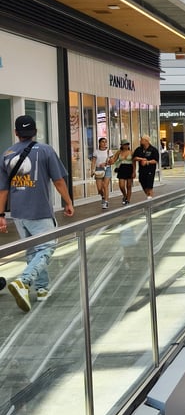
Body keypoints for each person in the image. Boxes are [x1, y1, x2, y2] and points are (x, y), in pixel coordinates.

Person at [0, 114, 75, 312]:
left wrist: (1, 215)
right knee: (48, 247)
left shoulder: (6, 154)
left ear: (16, 133)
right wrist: (68, 202)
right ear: (35, 132)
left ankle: (41, 288)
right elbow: (58, 181)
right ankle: (24, 281)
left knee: (33, 250)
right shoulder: (45, 150)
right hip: (39, 210)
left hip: (18, 213)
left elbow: (3, 189)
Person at [132, 134, 160, 199]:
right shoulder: (139, 149)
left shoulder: (153, 149)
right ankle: (149, 196)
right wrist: (141, 159)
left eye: (142, 140)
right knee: (142, 182)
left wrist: (147, 162)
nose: (140, 141)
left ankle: (150, 198)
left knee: (149, 185)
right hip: (142, 170)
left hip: (150, 170)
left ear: (147, 141)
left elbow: (156, 160)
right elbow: (134, 158)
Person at [110, 140, 135, 205]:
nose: (126, 146)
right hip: (121, 168)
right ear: (122, 145)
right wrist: (109, 161)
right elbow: (114, 160)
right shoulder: (119, 152)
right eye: (125, 144)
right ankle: (125, 195)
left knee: (129, 186)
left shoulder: (131, 152)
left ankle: (128, 200)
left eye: (127, 144)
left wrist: (134, 172)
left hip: (129, 168)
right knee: (121, 185)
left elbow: (134, 163)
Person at [90, 136, 112, 209]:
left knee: (105, 186)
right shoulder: (96, 151)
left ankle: (106, 201)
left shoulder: (109, 151)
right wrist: (92, 170)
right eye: (103, 142)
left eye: (105, 142)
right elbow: (93, 162)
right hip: (98, 169)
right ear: (99, 143)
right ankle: (103, 196)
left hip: (107, 169)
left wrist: (105, 164)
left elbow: (112, 161)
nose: (104, 143)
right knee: (99, 188)